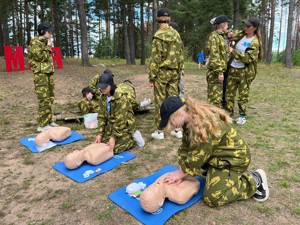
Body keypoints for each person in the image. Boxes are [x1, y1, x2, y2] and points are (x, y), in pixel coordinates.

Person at [158, 96, 269, 207]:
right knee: (196, 170)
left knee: (213, 198)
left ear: (178, 114)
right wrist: (182, 170)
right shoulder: (190, 120)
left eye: (171, 122)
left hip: (234, 160)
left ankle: (254, 180)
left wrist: (180, 174)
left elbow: (196, 158)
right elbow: (186, 147)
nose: (172, 127)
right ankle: (215, 172)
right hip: (218, 157)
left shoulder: (203, 126)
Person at [149, 8, 184, 140]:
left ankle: (159, 131)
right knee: (175, 101)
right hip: (174, 72)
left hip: (162, 73)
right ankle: (177, 129)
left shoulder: (158, 36)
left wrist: (152, 77)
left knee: (160, 101)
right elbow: (181, 54)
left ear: (158, 20)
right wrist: (179, 70)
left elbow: (155, 59)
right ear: (169, 19)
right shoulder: (176, 34)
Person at [225, 17, 263, 125]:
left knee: (243, 95)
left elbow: (248, 58)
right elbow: (229, 33)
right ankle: (229, 114)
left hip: (244, 72)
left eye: (248, 26)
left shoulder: (255, 42)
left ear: (254, 28)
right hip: (233, 68)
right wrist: (229, 34)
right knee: (229, 94)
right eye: (245, 25)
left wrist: (233, 52)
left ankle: (242, 116)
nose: (246, 27)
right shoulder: (241, 35)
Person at [94, 72, 145, 153]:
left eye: (104, 87)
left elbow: (121, 120)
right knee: (102, 144)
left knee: (113, 149)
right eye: (100, 87)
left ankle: (133, 138)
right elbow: (101, 117)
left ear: (111, 85)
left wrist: (113, 137)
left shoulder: (121, 97)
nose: (101, 89)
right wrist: (99, 133)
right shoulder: (102, 97)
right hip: (112, 124)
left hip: (125, 125)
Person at [28, 23, 58, 131]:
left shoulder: (45, 42)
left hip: (48, 73)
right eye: (48, 31)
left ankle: (49, 121)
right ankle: (42, 125)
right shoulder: (35, 42)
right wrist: (49, 46)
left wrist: (47, 45)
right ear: (42, 31)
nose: (50, 33)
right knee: (44, 99)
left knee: (50, 98)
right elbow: (41, 58)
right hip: (41, 74)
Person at [206, 15, 231, 108]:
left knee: (218, 97)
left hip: (220, 71)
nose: (228, 26)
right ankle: (213, 119)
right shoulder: (214, 37)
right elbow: (214, 55)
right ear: (222, 25)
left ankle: (215, 118)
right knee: (214, 98)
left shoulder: (221, 37)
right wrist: (219, 72)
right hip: (215, 72)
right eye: (227, 24)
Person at [169, 21, 185, 101]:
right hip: (170, 68)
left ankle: (181, 102)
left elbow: (181, 54)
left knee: (180, 86)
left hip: (177, 67)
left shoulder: (178, 40)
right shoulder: (166, 40)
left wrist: (182, 68)